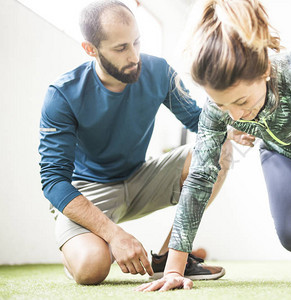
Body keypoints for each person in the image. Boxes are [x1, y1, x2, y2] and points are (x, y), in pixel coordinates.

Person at [136, 0, 291, 294]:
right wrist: (173, 270)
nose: (234, 116)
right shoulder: (219, 108)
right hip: (284, 152)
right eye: (221, 104)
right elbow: (200, 177)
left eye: (241, 102)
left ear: (265, 70)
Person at [38, 0, 235, 285]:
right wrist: (114, 235)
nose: (134, 56)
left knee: (219, 146)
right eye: (121, 48)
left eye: (137, 42)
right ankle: (79, 251)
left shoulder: (158, 71)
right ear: (90, 49)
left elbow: (199, 122)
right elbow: (53, 181)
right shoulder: (62, 94)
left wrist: (238, 121)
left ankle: (169, 255)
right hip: (90, 189)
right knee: (91, 268)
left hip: (139, 176)